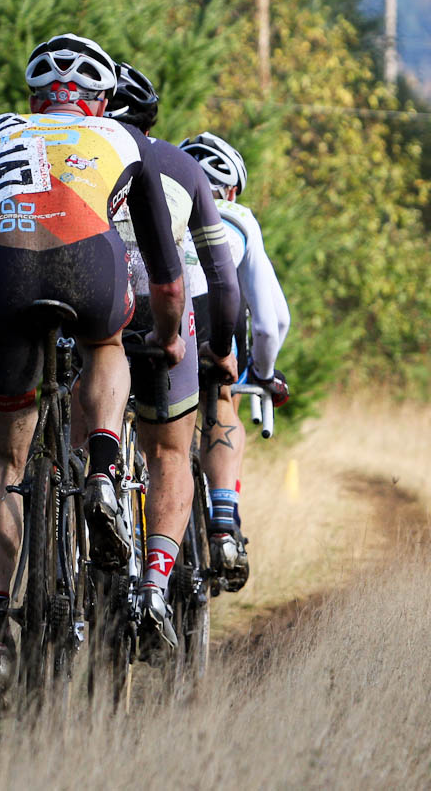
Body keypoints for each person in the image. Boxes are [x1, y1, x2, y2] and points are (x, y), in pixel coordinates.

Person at [0, 34, 186, 710]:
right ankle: (102, 471)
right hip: (87, 269)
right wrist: (168, 339)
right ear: (101, 100)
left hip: (1, 284)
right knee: (108, 347)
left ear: (33, 97)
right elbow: (166, 277)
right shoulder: (121, 141)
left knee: (1, 467)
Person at [105, 63, 240, 657]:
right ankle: (157, 585)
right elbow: (224, 283)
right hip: (163, 323)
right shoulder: (181, 167)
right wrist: (221, 348)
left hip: (88, 319)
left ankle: (91, 498)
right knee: (166, 454)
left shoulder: (71, 155)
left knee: (87, 440)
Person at [179, 132, 290, 591]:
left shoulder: (158, 201)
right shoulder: (239, 217)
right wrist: (261, 374)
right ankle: (223, 525)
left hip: (146, 318)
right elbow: (270, 321)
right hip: (208, 325)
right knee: (221, 397)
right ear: (233, 190)